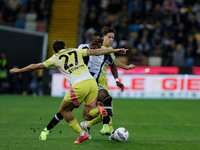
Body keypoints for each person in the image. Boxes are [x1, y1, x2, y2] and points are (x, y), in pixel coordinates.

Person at [9, 40, 127, 143]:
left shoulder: (55, 57)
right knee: (86, 115)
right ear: (65, 47)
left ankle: (82, 134)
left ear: (54, 50)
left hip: (79, 85)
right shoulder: (76, 50)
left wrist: (19, 70)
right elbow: (96, 52)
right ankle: (100, 110)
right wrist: (116, 50)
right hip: (92, 83)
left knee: (63, 110)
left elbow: (36, 66)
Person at [80, 27, 135, 140]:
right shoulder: (92, 48)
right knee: (106, 110)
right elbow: (114, 62)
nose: (111, 40)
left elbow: (113, 63)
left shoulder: (108, 51)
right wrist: (126, 66)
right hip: (92, 82)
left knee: (108, 111)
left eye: (112, 38)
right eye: (109, 37)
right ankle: (108, 131)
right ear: (102, 37)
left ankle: (91, 126)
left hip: (101, 82)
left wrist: (117, 80)